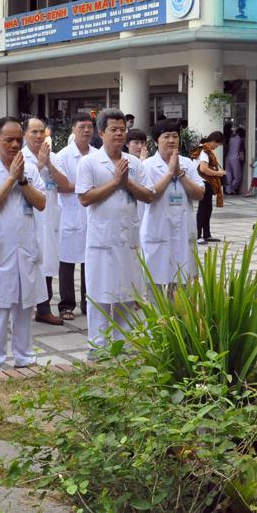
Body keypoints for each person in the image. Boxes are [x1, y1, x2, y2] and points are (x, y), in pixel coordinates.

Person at [0, 117, 47, 370]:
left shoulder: (31, 169)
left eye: (18, 140)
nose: (15, 145)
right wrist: (10, 179)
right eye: (9, 140)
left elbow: (41, 203)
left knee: (25, 306)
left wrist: (22, 180)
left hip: (25, 248)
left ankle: (24, 357)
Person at [77, 109, 153, 352]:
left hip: (128, 239)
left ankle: (124, 344)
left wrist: (127, 182)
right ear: (101, 133)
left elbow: (148, 195)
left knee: (127, 294)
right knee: (99, 295)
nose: (120, 134)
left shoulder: (135, 163)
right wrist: (115, 182)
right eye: (114, 130)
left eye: (123, 129)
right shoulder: (89, 162)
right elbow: (85, 198)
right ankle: (98, 346)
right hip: (102, 240)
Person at [141, 119, 205, 288]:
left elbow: (199, 194)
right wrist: (170, 173)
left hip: (183, 230)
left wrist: (180, 175)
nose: (171, 140)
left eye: (175, 136)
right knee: (156, 282)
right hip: (157, 229)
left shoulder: (188, 163)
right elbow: (149, 196)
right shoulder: (147, 166)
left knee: (183, 282)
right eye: (166, 136)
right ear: (156, 141)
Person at [23, 117, 68, 326]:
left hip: (49, 217)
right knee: (29, 262)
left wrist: (48, 163)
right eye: (34, 132)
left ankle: (44, 308)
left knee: (48, 262)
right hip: (29, 216)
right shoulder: (20, 157)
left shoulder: (54, 156)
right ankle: (23, 306)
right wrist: (39, 165)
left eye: (42, 131)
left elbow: (65, 185)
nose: (39, 136)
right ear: (25, 134)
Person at [54, 113, 93, 319]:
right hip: (69, 215)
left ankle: (89, 302)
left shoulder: (97, 154)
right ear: (73, 130)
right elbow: (61, 186)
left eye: (89, 127)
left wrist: (78, 187)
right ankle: (66, 305)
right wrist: (87, 187)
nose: (86, 130)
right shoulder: (62, 156)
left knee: (90, 261)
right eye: (81, 127)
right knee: (66, 262)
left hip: (91, 215)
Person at [194, 131, 227, 245]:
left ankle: (206, 234)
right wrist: (219, 173)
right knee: (203, 209)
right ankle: (198, 235)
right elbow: (203, 169)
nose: (217, 146)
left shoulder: (203, 149)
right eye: (218, 144)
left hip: (205, 182)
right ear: (213, 141)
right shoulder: (205, 151)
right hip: (204, 182)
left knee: (207, 208)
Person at [225, 127, 245, 194]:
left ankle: (227, 190)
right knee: (238, 176)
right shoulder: (240, 140)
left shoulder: (230, 138)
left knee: (228, 175)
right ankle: (232, 188)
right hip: (235, 159)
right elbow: (241, 149)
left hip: (228, 158)